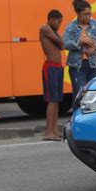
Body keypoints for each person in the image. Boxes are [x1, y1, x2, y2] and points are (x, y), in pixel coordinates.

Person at [63, 0, 96, 100]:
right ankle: (78, 115)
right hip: (78, 67)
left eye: (89, 14)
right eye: (85, 14)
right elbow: (64, 43)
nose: (88, 16)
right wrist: (78, 43)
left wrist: (95, 47)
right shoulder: (70, 27)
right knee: (79, 94)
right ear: (78, 14)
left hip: (95, 65)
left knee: (95, 94)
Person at [39, 9, 64, 141]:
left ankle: (54, 129)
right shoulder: (45, 29)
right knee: (52, 99)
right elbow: (60, 42)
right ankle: (49, 131)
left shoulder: (52, 30)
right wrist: (57, 35)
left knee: (57, 99)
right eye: (58, 22)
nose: (59, 25)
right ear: (51, 19)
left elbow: (61, 46)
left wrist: (57, 33)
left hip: (58, 67)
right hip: (50, 67)